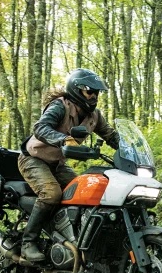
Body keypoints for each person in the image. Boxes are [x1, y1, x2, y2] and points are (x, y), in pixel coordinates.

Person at [17, 68, 120, 262]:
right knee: (52, 194)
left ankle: (68, 239)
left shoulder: (94, 116)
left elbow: (111, 135)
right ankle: (28, 243)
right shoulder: (60, 106)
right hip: (33, 158)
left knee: (82, 193)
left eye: (96, 93)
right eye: (90, 91)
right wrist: (63, 140)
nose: (94, 96)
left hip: (57, 163)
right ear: (77, 90)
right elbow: (40, 128)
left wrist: (130, 149)